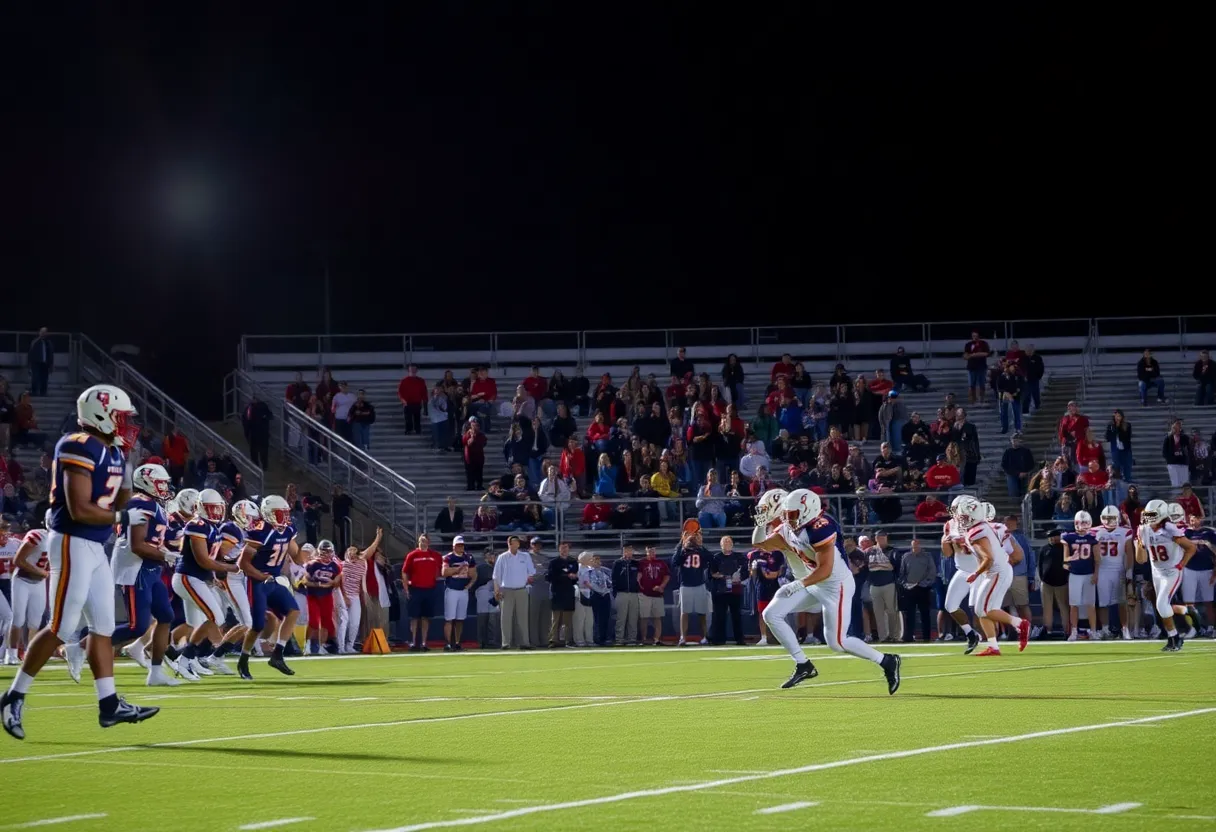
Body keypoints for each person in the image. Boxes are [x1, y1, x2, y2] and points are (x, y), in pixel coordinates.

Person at [2, 385, 162, 740]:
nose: (126, 424)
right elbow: (81, 508)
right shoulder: (77, 444)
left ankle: (109, 705)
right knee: (62, 624)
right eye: (121, 417)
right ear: (101, 413)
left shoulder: (112, 451)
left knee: (103, 628)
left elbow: (121, 499)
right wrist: (121, 517)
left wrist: (127, 462)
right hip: (73, 540)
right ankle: (14, 695)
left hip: (94, 547)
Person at [755, 489, 901, 693]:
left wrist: (798, 584)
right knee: (771, 613)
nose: (788, 519)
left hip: (835, 586)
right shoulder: (789, 528)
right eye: (787, 514)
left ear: (808, 511)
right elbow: (760, 543)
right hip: (814, 584)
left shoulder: (821, 528)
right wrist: (761, 522)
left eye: (793, 514)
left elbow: (825, 570)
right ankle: (803, 664)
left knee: (838, 642)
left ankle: (887, 661)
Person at [108, 465, 180, 685]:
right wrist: (166, 556)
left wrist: (165, 552)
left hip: (149, 568)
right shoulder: (140, 503)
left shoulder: (153, 505)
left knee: (166, 617)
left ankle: (156, 673)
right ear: (148, 482)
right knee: (137, 626)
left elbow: (149, 542)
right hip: (135, 568)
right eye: (161, 482)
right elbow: (137, 545)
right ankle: (82, 646)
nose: (165, 486)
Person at [236, 495, 304, 679]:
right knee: (257, 625)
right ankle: (243, 660)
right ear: (268, 514)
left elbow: (295, 553)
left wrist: (303, 561)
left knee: (293, 611)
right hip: (257, 581)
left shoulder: (288, 529)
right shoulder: (259, 532)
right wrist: (260, 576)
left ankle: (278, 654)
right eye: (279, 513)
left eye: (285, 513)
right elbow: (243, 563)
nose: (284, 517)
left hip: (273, 580)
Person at [954, 497, 1030, 656]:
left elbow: (988, 559)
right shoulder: (981, 527)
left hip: (996, 572)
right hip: (996, 571)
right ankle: (993, 646)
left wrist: (975, 574)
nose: (961, 520)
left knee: (987, 610)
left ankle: (1020, 623)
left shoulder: (977, 531)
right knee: (981, 610)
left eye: (965, 517)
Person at [1134, 500, 1198, 651]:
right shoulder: (1144, 529)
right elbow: (1141, 559)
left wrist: (1181, 564)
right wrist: (1140, 543)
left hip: (1171, 571)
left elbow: (1191, 547)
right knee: (1161, 606)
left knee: (1162, 604)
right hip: (1156, 572)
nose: (1149, 518)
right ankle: (1175, 633)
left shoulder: (1169, 528)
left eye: (1152, 515)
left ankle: (1175, 638)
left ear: (1161, 514)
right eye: (1147, 514)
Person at [1094, 505, 1133, 640]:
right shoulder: (1095, 531)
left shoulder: (1125, 532)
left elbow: (1129, 553)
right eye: (1106, 518)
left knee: (1122, 602)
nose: (1109, 520)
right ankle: (1105, 629)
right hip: (1102, 569)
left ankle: (1125, 628)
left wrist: (1128, 571)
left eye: (1112, 518)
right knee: (1103, 603)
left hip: (1118, 569)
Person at [1061, 510, 1100, 642]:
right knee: (1074, 604)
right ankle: (1074, 631)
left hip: (1088, 574)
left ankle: (1093, 631)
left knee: (1090, 604)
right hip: (1075, 574)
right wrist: (1069, 561)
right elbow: (1065, 558)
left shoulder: (1093, 537)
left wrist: (1096, 574)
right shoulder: (1069, 537)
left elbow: (1097, 559)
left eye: (1085, 523)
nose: (1082, 525)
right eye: (1080, 523)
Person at [403, 534, 444, 652]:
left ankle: (424, 642)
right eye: (421, 541)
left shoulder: (435, 555)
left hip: (430, 589)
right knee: (414, 617)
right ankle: (414, 641)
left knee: (426, 617)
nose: (422, 543)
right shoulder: (412, 555)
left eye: (425, 541)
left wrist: (433, 577)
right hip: (415, 589)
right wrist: (406, 588)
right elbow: (405, 572)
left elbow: (440, 569)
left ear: (428, 542)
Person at [303, 539, 343, 654]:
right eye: (323, 551)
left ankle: (322, 646)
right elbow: (305, 582)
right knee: (314, 621)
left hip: (326, 596)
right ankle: (307, 645)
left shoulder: (336, 566)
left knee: (326, 622)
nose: (325, 554)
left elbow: (336, 582)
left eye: (328, 551)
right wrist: (319, 584)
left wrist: (331, 583)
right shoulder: (312, 564)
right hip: (313, 595)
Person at [441, 536, 476, 651]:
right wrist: (457, 569)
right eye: (458, 545)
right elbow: (444, 572)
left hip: (463, 591)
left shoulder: (469, 557)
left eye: (462, 545)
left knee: (460, 618)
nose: (460, 547)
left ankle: (457, 642)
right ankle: (448, 643)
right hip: (452, 589)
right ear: (453, 546)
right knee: (450, 618)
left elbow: (473, 574)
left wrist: (469, 585)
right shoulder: (448, 558)